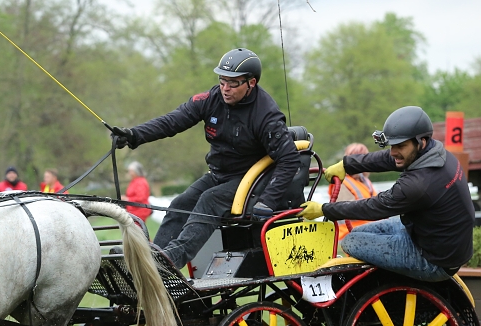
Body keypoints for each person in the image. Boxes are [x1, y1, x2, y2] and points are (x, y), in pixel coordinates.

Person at [110, 48, 301, 269]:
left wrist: (267, 200)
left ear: (251, 83)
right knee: (179, 204)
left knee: (209, 200)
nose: (225, 89)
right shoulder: (211, 99)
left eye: (233, 83)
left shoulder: (266, 115)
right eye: (222, 81)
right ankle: (149, 262)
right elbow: (173, 121)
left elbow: (289, 160)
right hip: (220, 175)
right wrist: (134, 135)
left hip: (252, 182)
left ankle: (168, 263)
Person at [300, 106, 474, 282]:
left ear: (421, 141)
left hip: (433, 260)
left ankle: (378, 289)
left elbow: (375, 207)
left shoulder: (419, 184)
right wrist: (347, 164)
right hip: (436, 240)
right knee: (359, 232)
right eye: (392, 145)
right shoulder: (438, 153)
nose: (393, 152)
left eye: (400, 146)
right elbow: (388, 159)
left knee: (350, 241)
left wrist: (324, 209)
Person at [334, 143, 378, 241]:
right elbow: (346, 211)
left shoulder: (365, 182)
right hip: (351, 235)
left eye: (364, 158)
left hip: (371, 231)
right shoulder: (342, 183)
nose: (360, 162)